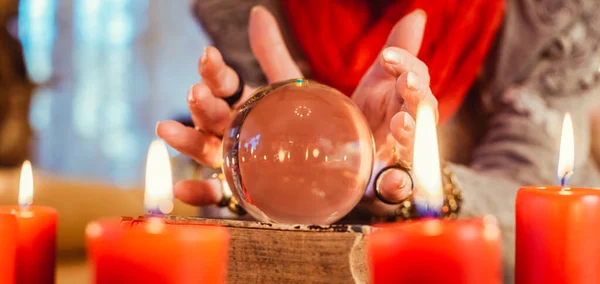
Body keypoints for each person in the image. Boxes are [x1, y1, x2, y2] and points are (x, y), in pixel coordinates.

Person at [156, 1, 600, 282]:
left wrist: (397, 185)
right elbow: (238, 220)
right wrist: (263, 183)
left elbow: (538, 209)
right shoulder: (253, 12)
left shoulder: (551, 15)